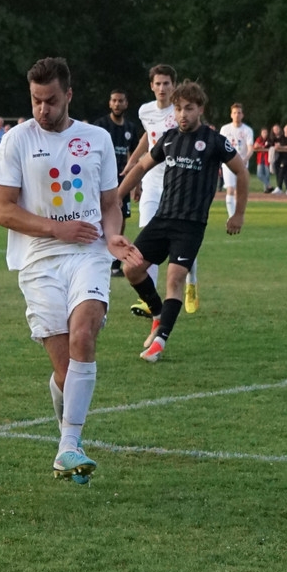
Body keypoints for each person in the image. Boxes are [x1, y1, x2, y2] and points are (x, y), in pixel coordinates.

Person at [0, 57, 142, 484]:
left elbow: (110, 204)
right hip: (38, 259)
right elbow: (3, 211)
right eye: (36, 100)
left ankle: (69, 445)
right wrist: (56, 228)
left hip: (89, 253)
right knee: (64, 370)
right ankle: (69, 442)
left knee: (83, 336)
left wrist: (112, 236)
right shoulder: (16, 141)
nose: (43, 109)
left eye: (52, 100)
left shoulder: (96, 139)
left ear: (69, 95)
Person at [118, 79, 249, 363]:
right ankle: (157, 313)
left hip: (190, 225)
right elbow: (141, 166)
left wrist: (238, 213)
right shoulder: (168, 138)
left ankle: (160, 341)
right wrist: (118, 196)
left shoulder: (215, 141)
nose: (182, 114)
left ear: (200, 109)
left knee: (174, 278)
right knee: (131, 269)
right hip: (163, 218)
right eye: (178, 109)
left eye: (188, 108)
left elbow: (241, 171)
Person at [126, 64, 201, 315]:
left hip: (178, 184)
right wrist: (133, 165)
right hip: (151, 181)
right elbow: (148, 138)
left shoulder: (180, 111)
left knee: (183, 239)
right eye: (157, 83)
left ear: (173, 85)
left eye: (166, 83)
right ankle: (149, 299)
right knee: (147, 237)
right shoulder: (145, 110)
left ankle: (191, 282)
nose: (162, 88)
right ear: (151, 86)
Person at [93, 89, 142, 276]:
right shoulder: (101, 126)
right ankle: (98, 257)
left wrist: (138, 185)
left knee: (120, 219)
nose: (117, 104)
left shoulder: (130, 128)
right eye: (114, 100)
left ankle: (114, 265)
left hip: (122, 183)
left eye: (120, 101)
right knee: (99, 217)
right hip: (101, 182)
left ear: (126, 103)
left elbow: (136, 158)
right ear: (109, 103)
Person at [219, 103, 254, 217]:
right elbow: (220, 146)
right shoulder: (225, 129)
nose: (237, 115)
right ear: (231, 115)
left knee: (239, 191)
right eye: (234, 113)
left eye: (239, 113)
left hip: (242, 163)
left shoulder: (247, 130)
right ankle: (231, 216)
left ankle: (238, 215)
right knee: (230, 188)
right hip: (228, 163)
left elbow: (250, 148)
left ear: (242, 115)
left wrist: (245, 159)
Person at [252, 127, 272, 193]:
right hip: (260, 159)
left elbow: (268, 146)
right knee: (259, 174)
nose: (264, 134)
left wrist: (260, 146)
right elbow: (255, 146)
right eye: (263, 132)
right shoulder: (259, 139)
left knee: (267, 175)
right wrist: (261, 146)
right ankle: (269, 185)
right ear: (261, 133)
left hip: (267, 159)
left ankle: (266, 189)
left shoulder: (269, 139)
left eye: (265, 132)